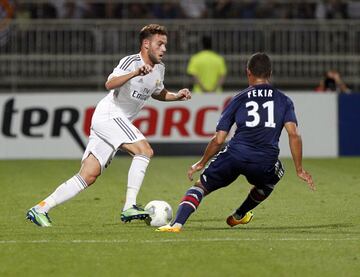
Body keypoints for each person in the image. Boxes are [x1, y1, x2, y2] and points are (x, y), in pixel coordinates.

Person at [26, 24, 192, 227]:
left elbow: (157, 91)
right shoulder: (131, 62)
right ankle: (129, 206)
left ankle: (40, 208)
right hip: (110, 115)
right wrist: (134, 73)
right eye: (160, 44)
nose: (164, 49)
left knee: (88, 175)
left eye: (165, 44)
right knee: (144, 151)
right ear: (146, 44)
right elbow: (110, 83)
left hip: (114, 121)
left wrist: (176, 96)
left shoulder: (160, 69)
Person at [157, 52, 315, 233]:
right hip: (264, 160)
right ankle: (239, 215)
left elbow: (219, 139)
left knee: (200, 187)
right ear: (270, 73)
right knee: (273, 178)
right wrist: (299, 169)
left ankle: (176, 224)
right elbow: (293, 134)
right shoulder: (284, 100)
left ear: (248, 72)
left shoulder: (239, 98)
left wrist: (201, 163)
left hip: (235, 155)